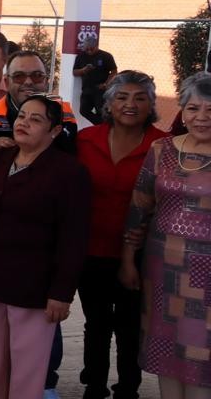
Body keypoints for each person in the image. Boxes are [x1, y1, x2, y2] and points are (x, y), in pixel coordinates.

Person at [0, 96, 90, 399]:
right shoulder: (1, 160)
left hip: (34, 289)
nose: (24, 122)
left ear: (54, 132)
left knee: (27, 373)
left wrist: (62, 293)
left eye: (36, 119)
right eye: (22, 116)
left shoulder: (68, 172)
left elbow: (74, 237)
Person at [77, 71, 168, 399]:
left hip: (142, 253)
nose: (130, 104)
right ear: (108, 103)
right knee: (96, 324)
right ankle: (95, 387)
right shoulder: (85, 141)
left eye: (140, 98)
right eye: (122, 97)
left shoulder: (163, 146)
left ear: (151, 105)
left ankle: (128, 389)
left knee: (131, 326)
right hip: (90, 249)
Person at [121, 72, 211, 396]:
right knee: (165, 349)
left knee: (203, 357)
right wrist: (128, 259)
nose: (201, 117)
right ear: (183, 112)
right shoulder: (162, 149)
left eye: (210, 110)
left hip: (208, 278)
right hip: (162, 271)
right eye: (193, 108)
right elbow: (139, 207)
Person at [0, 51, 79, 155]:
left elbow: (69, 153)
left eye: (37, 76)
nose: (28, 82)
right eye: (19, 76)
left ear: (46, 81)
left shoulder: (64, 112)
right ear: (6, 82)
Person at [74, 37, 118, 126]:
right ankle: (101, 126)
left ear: (97, 46)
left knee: (101, 111)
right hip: (86, 89)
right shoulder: (81, 56)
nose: (89, 51)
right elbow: (75, 72)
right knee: (83, 110)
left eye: (91, 48)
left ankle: (104, 128)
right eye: (87, 49)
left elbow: (114, 71)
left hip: (100, 89)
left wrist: (106, 83)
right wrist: (84, 70)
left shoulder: (106, 56)